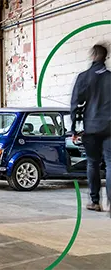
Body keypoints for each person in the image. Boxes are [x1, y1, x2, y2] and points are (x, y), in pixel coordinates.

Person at [71, 44, 111, 214]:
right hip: (110, 127)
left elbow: (75, 103)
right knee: (110, 164)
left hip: (91, 127)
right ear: (105, 57)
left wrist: (73, 128)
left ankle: (95, 201)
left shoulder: (84, 77)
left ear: (93, 56)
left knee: (93, 163)